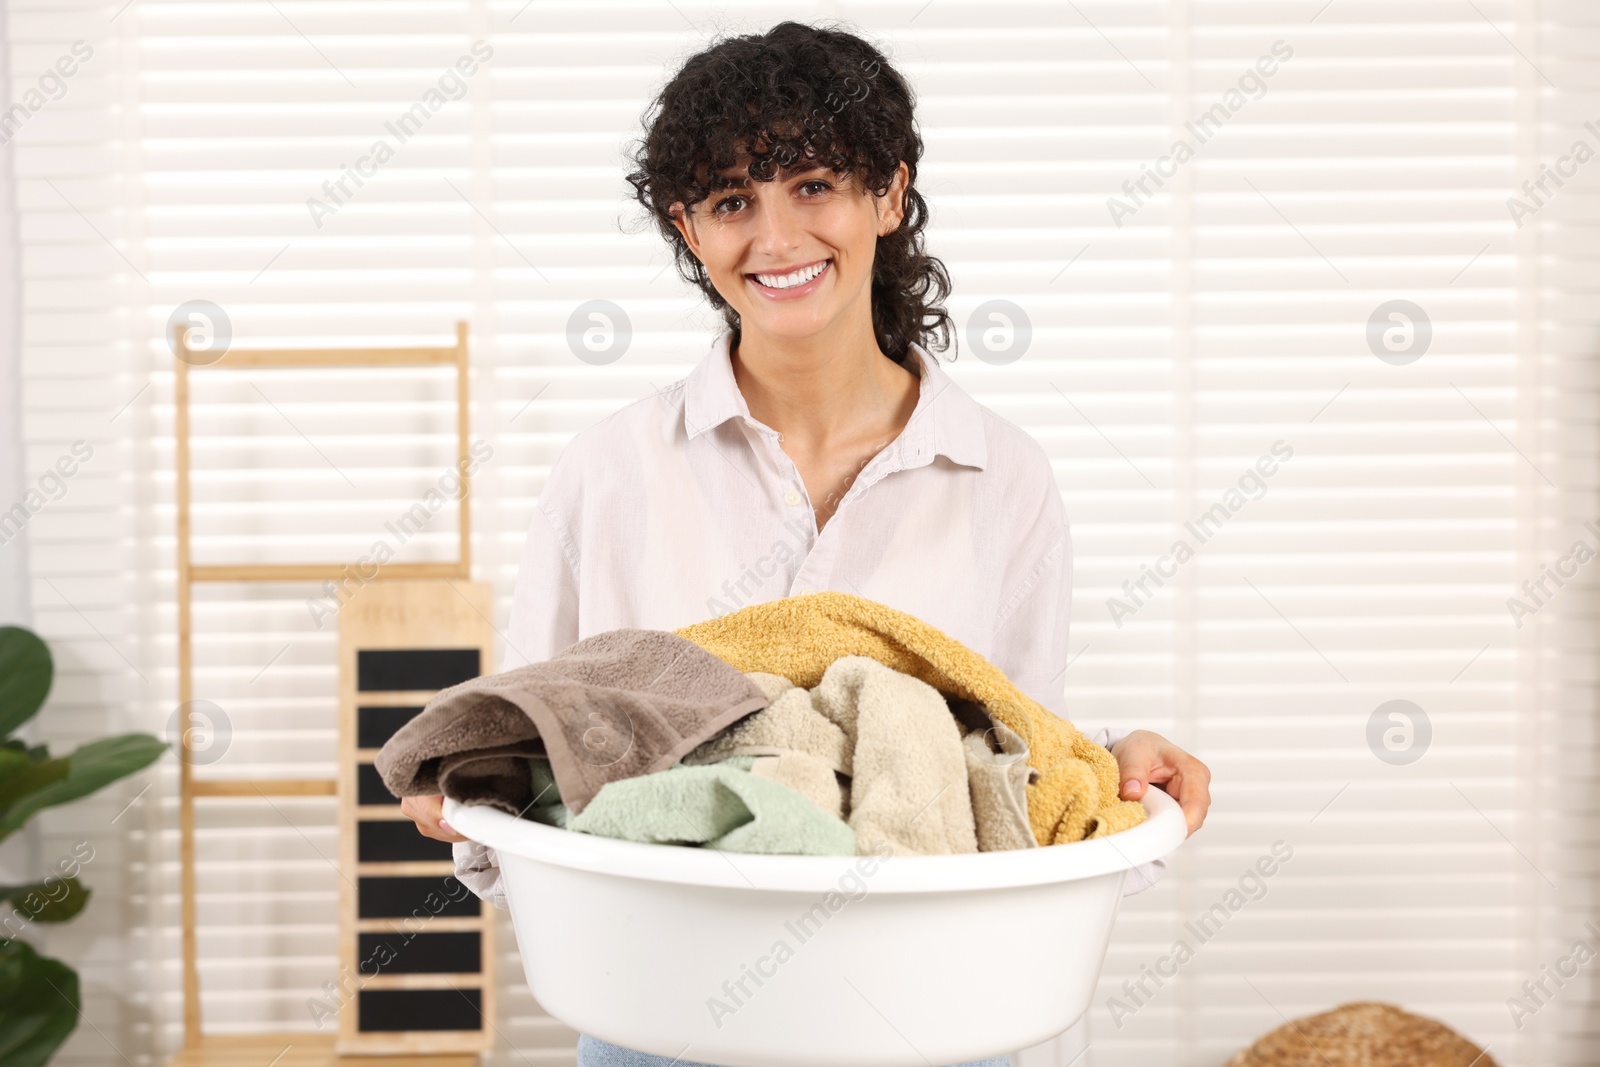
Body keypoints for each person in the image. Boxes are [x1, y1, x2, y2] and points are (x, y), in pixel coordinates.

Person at [401, 21, 1212, 1067]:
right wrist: (467, 797)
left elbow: (1006, 766)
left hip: (931, 1019)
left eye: (815, 184)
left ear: (889, 193)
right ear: (687, 229)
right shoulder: (607, 472)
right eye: (732, 200)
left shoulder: (1001, 476)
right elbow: (547, 756)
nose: (776, 238)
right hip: (664, 1012)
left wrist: (1112, 771)